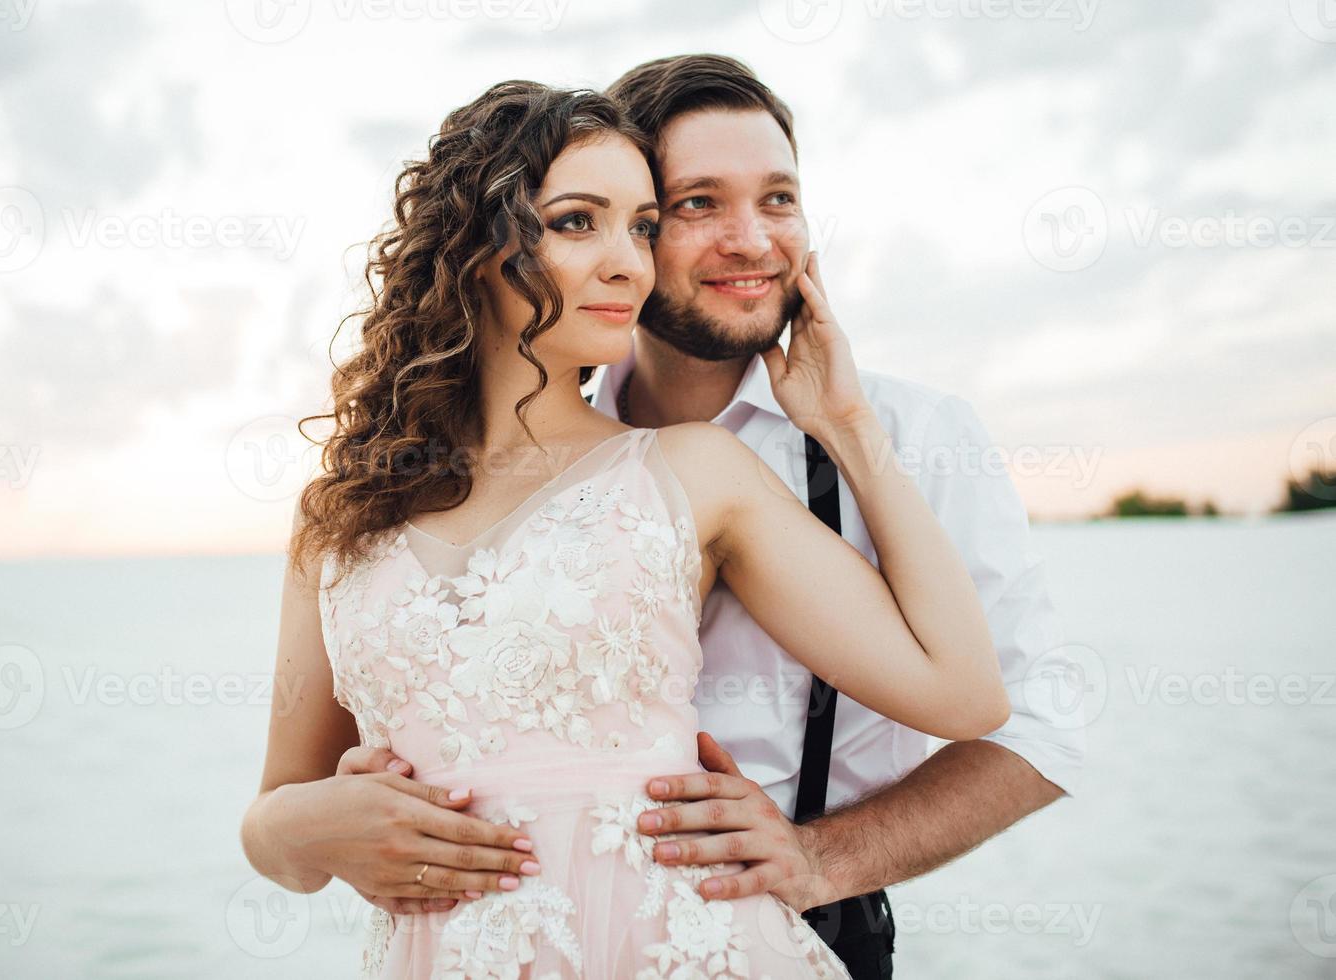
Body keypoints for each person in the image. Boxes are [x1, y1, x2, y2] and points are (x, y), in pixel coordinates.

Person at [242, 79, 1009, 977]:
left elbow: (966, 695)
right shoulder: (341, 517)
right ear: (472, 247)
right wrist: (297, 827)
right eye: (578, 222)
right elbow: (276, 828)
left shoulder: (689, 471)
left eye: (643, 227)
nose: (629, 265)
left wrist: (849, 426)